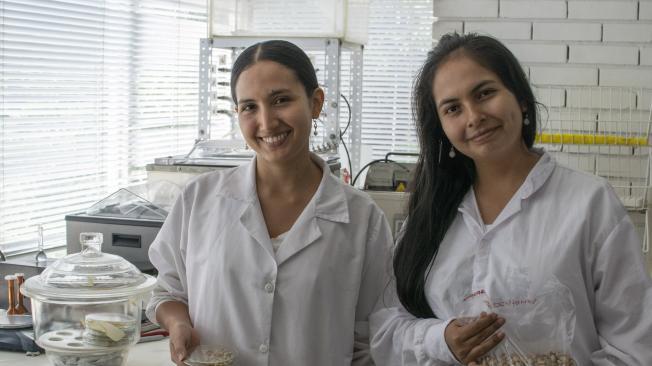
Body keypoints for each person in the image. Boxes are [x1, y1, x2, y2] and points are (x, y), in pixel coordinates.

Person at [369, 32, 652, 365]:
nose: (473, 117)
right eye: (453, 108)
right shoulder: (429, 215)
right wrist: (440, 339)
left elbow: (633, 346)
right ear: (441, 128)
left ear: (519, 97)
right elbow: (386, 329)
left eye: (485, 93)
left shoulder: (588, 203)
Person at [146, 40, 393, 365]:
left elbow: (374, 338)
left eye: (281, 100)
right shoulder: (199, 199)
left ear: (315, 102)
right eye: (249, 106)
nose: (266, 121)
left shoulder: (363, 220)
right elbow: (168, 292)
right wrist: (178, 322)